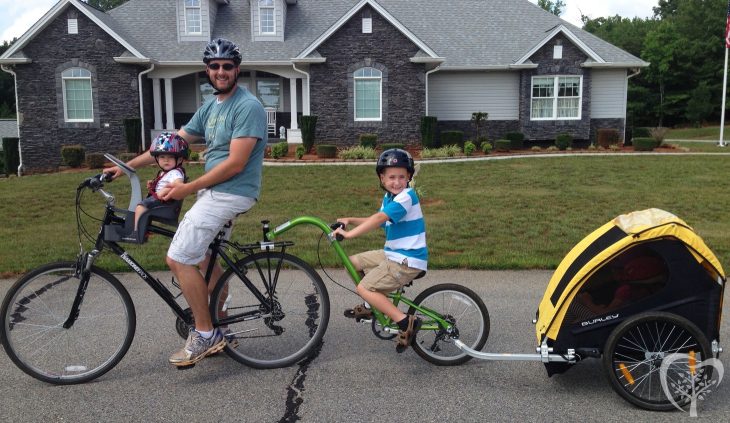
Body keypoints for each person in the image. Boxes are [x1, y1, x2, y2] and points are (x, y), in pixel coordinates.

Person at [105, 38, 267, 367]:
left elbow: (236, 164)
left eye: (227, 66)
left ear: (237, 69)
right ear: (207, 70)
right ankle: (221, 323)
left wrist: (188, 188)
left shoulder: (247, 106)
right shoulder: (211, 107)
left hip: (231, 192)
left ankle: (206, 333)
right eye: (214, 66)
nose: (221, 71)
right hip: (217, 192)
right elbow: (169, 144)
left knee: (178, 258)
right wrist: (123, 169)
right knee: (205, 261)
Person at [332, 149, 428, 353]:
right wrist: (349, 220)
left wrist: (349, 235)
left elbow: (378, 219)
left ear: (409, 177)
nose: (397, 181)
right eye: (391, 177)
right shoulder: (390, 198)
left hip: (407, 260)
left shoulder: (406, 197)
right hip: (393, 254)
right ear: (382, 178)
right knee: (352, 263)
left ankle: (405, 322)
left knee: (365, 287)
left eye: (402, 177)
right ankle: (372, 307)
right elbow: (377, 219)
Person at [122, 131, 188, 243]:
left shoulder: (176, 173)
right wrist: (153, 184)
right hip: (160, 200)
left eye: (170, 157)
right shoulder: (166, 172)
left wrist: (164, 191)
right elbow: (162, 182)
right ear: (157, 158)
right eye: (162, 156)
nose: (166, 160)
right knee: (140, 205)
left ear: (180, 159)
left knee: (140, 207)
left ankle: (137, 232)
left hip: (166, 202)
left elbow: (179, 185)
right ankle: (143, 229)